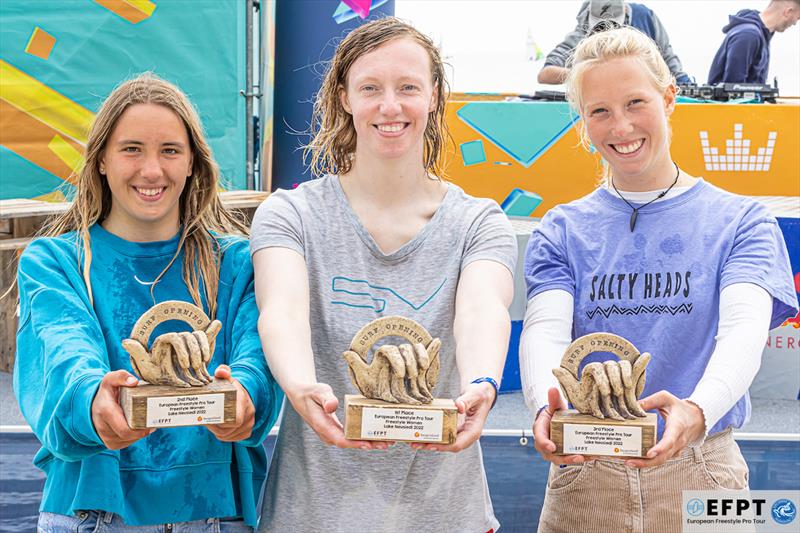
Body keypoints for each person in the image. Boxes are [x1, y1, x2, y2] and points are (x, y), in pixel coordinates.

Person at [520, 27, 797, 532]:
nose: (620, 126)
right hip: (583, 472)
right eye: (599, 111)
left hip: (707, 469)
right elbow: (545, 330)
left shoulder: (742, 221)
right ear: (582, 122)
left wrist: (695, 412)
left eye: (635, 102)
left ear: (669, 99)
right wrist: (546, 403)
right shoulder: (561, 228)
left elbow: (743, 332)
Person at [251, 17, 517, 533]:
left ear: (435, 96)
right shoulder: (290, 215)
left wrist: (482, 381)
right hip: (313, 514)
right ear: (345, 97)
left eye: (408, 88)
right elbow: (280, 311)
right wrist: (303, 388)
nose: (390, 107)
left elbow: (483, 308)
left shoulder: (479, 222)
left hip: (447, 514)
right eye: (370, 88)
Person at [14, 73, 283, 531]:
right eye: (131, 148)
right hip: (90, 511)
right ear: (100, 160)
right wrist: (92, 399)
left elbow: (258, 359)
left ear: (194, 163)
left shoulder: (239, 264)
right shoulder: (53, 262)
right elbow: (63, 352)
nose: (152, 170)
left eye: (170, 151)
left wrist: (245, 398)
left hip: (217, 511)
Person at [538, 0, 691, 85]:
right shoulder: (583, 32)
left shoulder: (646, 18)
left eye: (614, 25)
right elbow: (545, 74)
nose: (609, 31)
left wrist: (687, 86)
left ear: (625, 11)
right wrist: (591, 74)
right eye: (601, 27)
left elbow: (670, 63)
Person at [708, 0, 800, 84]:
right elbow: (734, 90)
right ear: (788, 12)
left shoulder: (760, 34)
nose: (795, 23)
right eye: (798, 18)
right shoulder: (748, 35)